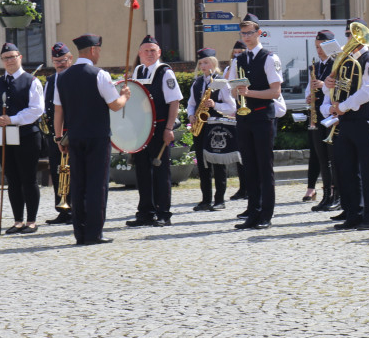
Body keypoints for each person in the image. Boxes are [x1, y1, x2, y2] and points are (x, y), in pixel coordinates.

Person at [52, 34, 131, 245]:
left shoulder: (63, 77)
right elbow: (114, 105)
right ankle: (94, 233)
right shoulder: (100, 74)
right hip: (97, 136)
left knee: (78, 185)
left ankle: (80, 232)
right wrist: (125, 96)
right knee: (97, 185)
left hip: (74, 136)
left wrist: (59, 137)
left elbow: (58, 111)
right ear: (94, 50)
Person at [321, 21, 369, 230]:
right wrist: (328, 85)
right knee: (346, 169)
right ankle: (353, 213)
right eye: (347, 34)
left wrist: (343, 106)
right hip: (344, 120)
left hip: (363, 120)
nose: (349, 38)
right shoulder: (344, 60)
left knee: (368, 170)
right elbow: (332, 90)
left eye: (353, 34)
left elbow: (367, 92)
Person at [0, 43, 45, 234]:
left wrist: (13, 119)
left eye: (12, 56)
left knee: (28, 178)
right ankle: (18, 220)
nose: (9, 61)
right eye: (5, 58)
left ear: (20, 57)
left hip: (27, 135)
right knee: (12, 178)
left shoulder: (31, 81)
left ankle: (31, 221)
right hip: (5, 136)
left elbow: (37, 109)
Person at [229, 13, 283, 229]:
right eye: (243, 33)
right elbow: (232, 91)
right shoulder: (238, 60)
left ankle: (266, 215)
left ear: (259, 33)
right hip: (244, 119)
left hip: (263, 117)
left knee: (264, 166)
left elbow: (275, 92)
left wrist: (249, 93)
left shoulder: (270, 58)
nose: (247, 37)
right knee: (249, 166)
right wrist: (238, 92)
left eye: (250, 32)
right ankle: (253, 212)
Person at [126, 35, 182, 228]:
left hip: (159, 129)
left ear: (159, 53)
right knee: (142, 171)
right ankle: (145, 212)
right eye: (146, 51)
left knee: (161, 171)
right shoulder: (138, 71)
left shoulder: (165, 72)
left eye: (153, 51)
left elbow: (174, 101)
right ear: (140, 54)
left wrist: (169, 128)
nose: (149, 54)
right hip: (141, 130)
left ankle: (164, 213)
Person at [187, 48, 236, 211]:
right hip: (200, 127)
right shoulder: (197, 83)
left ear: (213, 63)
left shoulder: (221, 82)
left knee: (218, 163)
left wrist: (215, 105)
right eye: (200, 63)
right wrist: (191, 115)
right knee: (202, 164)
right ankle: (205, 199)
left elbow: (231, 107)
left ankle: (220, 200)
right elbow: (191, 104)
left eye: (206, 62)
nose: (203, 65)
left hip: (216, 127)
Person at [305, 31, 338, 212]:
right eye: (317, 47)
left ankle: (336, 194)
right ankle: (326, 195)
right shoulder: (316, 67)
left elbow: (337, 87)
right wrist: (309, 96)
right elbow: (309, 88)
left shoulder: (336, 65)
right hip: (317, 116)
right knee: (322, 158)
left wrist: (323, 86)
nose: (319, 50)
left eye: (322, 47)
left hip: (331, 117)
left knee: (332, 158)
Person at [43, 43, 74, 225]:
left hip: (72, 133)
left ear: (70, 59)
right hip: (55, 135)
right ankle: (62, 210)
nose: (60, 64)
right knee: (58, 172)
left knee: (73, 172)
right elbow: (47, 108)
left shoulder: (75, 78)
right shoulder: (50, 81)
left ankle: (74, 209)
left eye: (63, 60)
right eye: (56, 61)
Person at [227, 40, 247, 200]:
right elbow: (229, 90)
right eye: (235, 52)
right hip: (235, 113)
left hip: (250, 112)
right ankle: (243, 187)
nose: (237, 54)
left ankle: (251, 188)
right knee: (240, 153)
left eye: (241, 51)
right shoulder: (230, 67)